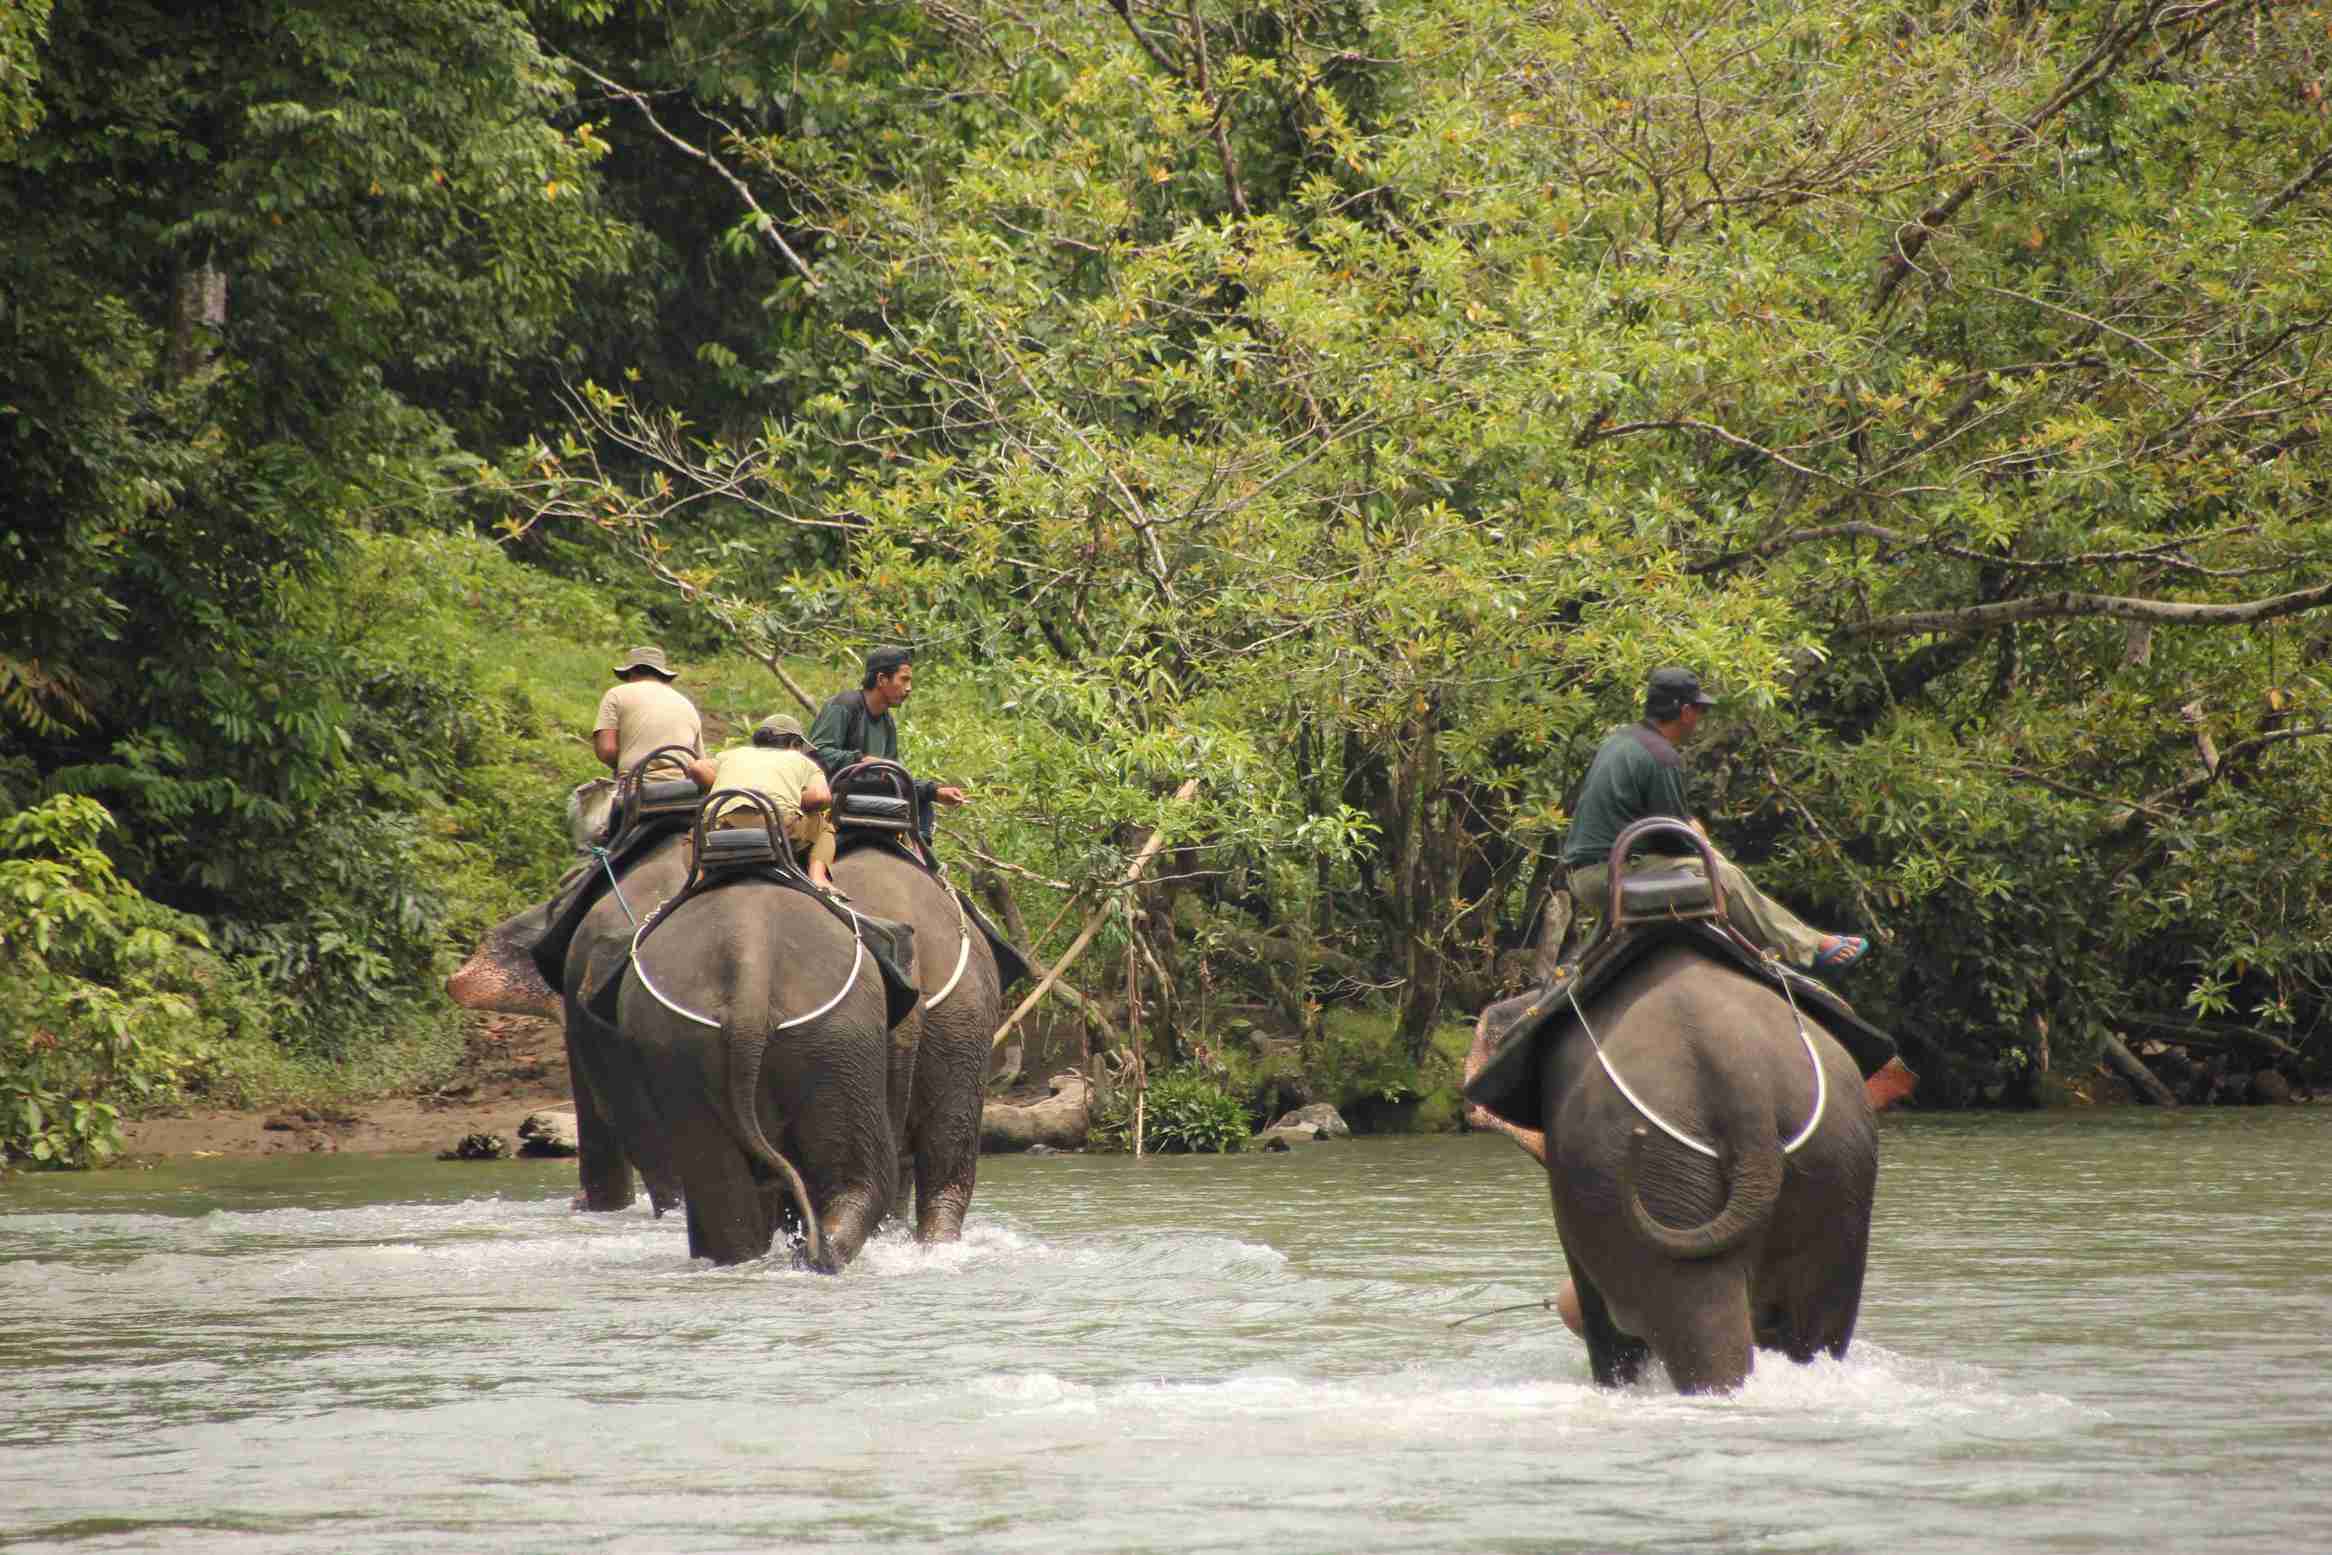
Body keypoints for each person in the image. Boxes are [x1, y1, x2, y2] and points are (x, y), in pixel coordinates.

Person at [1562, 666, 1868, 972]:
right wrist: (1699, 839)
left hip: (1587, 872)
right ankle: (1809, 948)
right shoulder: (1660, 755)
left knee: (1713, 861)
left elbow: (1657, 819)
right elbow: (1673, 841)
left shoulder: (1621, 740)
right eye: (1699, 710)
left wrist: (1689, 828)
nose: (1700, 719)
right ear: (1685, 712)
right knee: (1725, 876)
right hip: (1611, 873)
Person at [809, 646, 968, 817]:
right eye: (904, 680)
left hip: (870, 792)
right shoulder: (844, 705)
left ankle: (919, 832)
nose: (909, 688)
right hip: (834, 792)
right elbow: (815, 754)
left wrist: (935, 791)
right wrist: (859, 760)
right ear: (881, 679)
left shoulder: (887, 722)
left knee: (922, 799)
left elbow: (892, 774)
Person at [684, 715, 838, 891]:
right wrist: (793, 796)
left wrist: (728, 784)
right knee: (824, 827)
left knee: (693, 837)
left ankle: (697, 880)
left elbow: (697, 767)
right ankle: (818, 878)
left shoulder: (734, 754)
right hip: (778, 826)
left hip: (722, 824)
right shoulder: (801, 760)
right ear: (794, 744)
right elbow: (820, 796)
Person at [593, 645, 703, 778]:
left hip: (638, 782)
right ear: (662, 675)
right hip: (684, 784)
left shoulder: (616, 694)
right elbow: (700, 761)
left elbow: (607, 750)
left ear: (631, 672)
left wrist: (622, 765)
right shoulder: (686, 703)